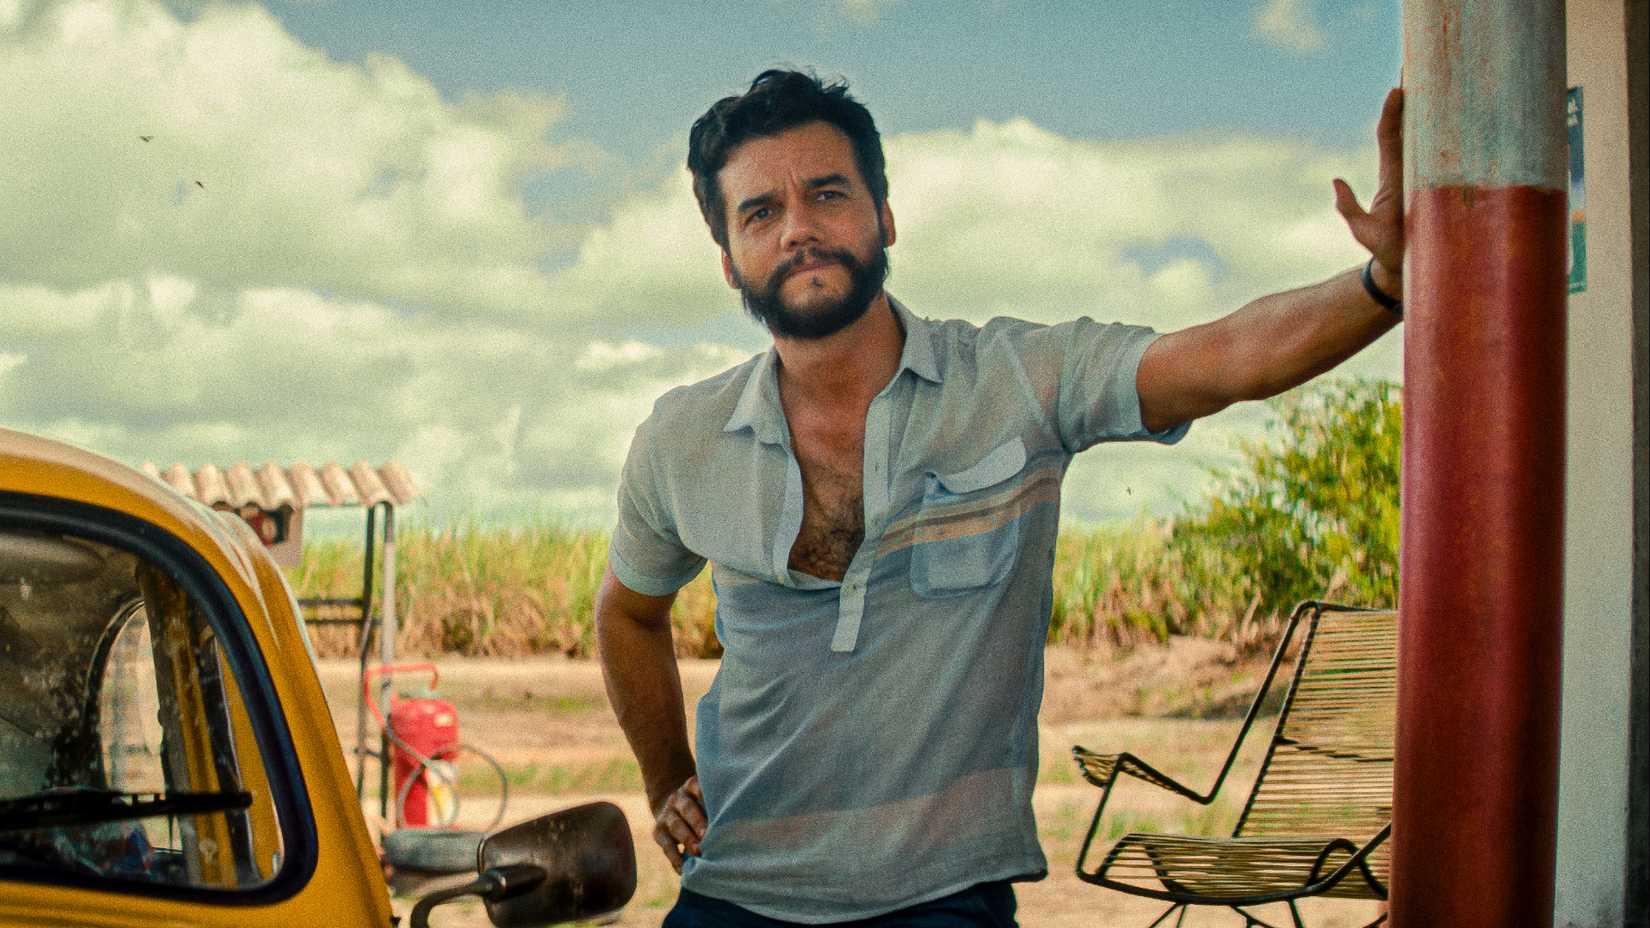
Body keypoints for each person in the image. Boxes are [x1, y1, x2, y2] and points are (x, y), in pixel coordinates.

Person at [595, 69, 1404, 926]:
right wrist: (667, 778)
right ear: (728, 260)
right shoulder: (683, 438)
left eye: (827, 193)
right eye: (761, 212)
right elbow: (627, 613)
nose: (799, 227)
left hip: (942, 897)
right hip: (732, 891)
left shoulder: (1017, 382)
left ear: (884, 215)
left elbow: (1228, 357)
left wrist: (1385, 284)